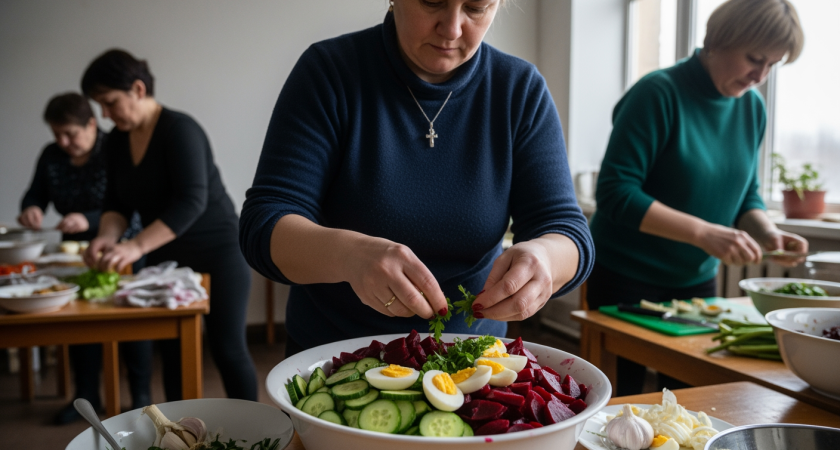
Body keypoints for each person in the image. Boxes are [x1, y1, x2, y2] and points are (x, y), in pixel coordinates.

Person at [240, 0, 594, 357]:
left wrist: (545, 257)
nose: (452, 28)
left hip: (472, 360)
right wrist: (350, 256)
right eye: (432, 2)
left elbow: (569, 232)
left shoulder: (519, 90)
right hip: (334, 357)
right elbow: (264, 224)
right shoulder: (330, 72)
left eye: (476, 8)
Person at [588, 0, 807, 395]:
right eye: (754, 59)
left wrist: (767, 232)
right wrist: (705, 233)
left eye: (773, 64)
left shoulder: (752, 109)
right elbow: (615, 192)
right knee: (620, 404)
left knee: (693, 405)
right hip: (624, 278)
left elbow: (746, 196)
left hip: (697, 284)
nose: (761, 75)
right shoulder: (658, 93)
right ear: (718, 40)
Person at [80, 49, 258, 401]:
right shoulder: (116, 140)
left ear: (138, 89)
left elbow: (191, 201)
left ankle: (261, 429)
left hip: (219, 252)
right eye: (99, 105)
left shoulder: (181, 129)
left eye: (110, 102)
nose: (105, 113)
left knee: (227, 349)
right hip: (168, 259)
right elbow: (116, 203)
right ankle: (180, 435)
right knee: (173, 353)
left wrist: (134, 247)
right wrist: (106, 237)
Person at [18, 92, 151, 424]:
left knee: (135, 321)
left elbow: (125, 201)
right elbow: (35, 192)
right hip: (74, 252)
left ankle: (141, 397)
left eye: (71, 134)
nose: (64, 142)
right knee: (80, 322)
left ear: (92, 124)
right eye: (57, 134)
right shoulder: (52, 155)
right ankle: (87, 395)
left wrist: (90, 220)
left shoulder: (116, 148)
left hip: (125, 245)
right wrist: (31, 208)